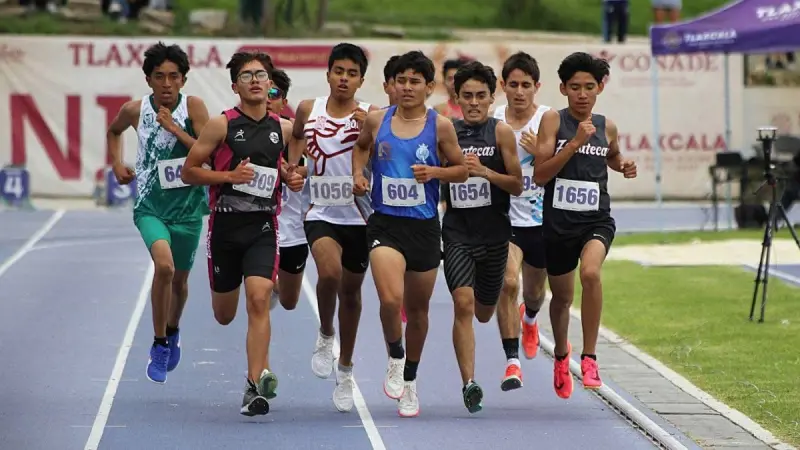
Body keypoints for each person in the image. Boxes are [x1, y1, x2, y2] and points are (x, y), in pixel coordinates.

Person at [181, 51, 305, 416]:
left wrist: (294, 177)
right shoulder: (221, 125)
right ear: (235, 86)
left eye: (261, 75)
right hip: (224, 226)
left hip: (263, 226)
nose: (255, 80)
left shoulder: (282, 129)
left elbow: (293, 171)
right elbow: (190, 172)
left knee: (259, 297)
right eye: (247, 75)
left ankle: (256, 384)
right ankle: (256, 375)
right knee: (224, 314)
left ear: (270, 85)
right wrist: (228, 178)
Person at [351, 50, 468, 417]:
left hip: (423, 227)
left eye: (415, 81)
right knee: (390, 299)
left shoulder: (441, 126)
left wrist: (436, 174)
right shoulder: (376, 120)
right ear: (392, 85)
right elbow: (361, 148)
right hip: (386, 224)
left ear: (429, 88)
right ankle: (395, 356)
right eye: (401, 80)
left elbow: (462, 169)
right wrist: (359, 173)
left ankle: (412, 380)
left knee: (418, 311)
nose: (406, 87)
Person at [529, 52, 637, 399]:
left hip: (596, 220)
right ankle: (562, 354)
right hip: (558, 224)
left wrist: (623, 166)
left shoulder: (607, 125)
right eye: (574, 87)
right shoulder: (552, 121)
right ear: (563, 89)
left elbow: (613, 155)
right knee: (561, 298)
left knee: (591, 274)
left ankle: (589, 358)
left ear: (599, 88)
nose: (582, 94)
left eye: (589, 87)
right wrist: (574, 143)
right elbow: (541, 174)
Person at [107, 42, 210, 385]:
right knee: (163, 266)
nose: (166, 83)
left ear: (183, 80)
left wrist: (175, 130)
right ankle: (159, 343)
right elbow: (114, 131)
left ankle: (173, 328)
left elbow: (208, 156)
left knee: (179, 281)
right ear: (149, 80)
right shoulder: (135, 110)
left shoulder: (193, 107)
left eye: (173, 77)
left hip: (189, 210)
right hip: (151, 207)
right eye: (159, 77)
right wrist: (116, 163)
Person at [290, 43, 378, 413]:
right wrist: (294, 168)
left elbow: (385, 148)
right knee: (328, 273)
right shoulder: (308, 109)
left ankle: (346, 369)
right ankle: (326, 334)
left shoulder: (371, 115)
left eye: (352, 73)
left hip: (358, 215)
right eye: (338, 71)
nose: (344, 78)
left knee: (352, 294)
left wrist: (369, 141)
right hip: (321, 210)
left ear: (361, 79)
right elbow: (295, 135)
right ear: (328, 74)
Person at [443, 61, 522, 413]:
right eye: (467, 96)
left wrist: (485, 172)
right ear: (456, 97)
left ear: (492, 98)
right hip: (458, 233)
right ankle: (469, 384)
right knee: (462, 303)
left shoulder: (501, 132)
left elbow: (517, 185)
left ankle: (505, 316)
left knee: (484, 312)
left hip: (494, 236)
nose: (473, 102)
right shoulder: (445, 131)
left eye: (480, 96)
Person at [491, 52, 551, 392]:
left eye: (525, 85)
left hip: (540, 220)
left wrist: (539, 150)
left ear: (536, 87)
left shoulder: (547, 119)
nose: (519, 91)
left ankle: (530, 320)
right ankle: (512, 362)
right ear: (502, 86)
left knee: (533, 293)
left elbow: (558, 162)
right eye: (512, 84)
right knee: (508, 283)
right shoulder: (495, 120)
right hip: (507, 219)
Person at [268, 69, 309, 312]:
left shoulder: (298, 135)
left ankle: (275, 287)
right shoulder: (239, 133)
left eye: (274, 94)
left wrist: (298, 173)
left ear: (284, 102)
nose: (266, 98)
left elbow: (321, 169)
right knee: (258, 293)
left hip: (293, 229)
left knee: (289, 301)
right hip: (257, 225)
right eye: (263, 91)